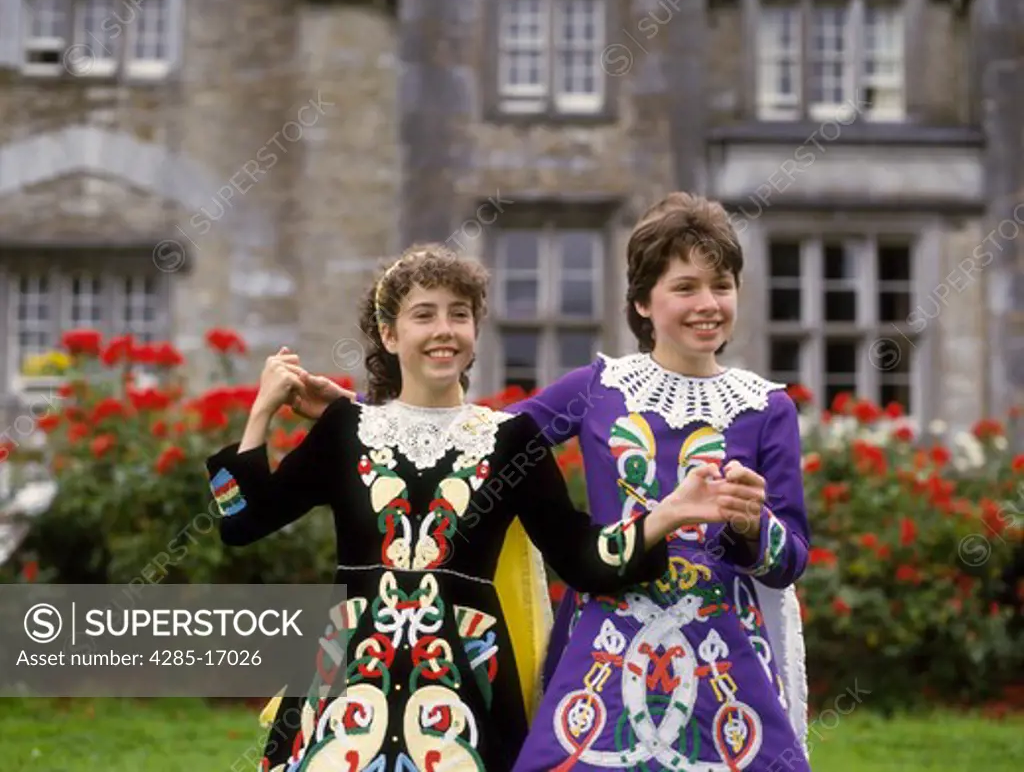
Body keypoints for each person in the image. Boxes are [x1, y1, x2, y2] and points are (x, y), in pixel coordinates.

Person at [299, 194, 811, 771]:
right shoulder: (599, 387)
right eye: (685, 287)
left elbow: (789, 559)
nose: (708, 304)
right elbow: (480, 443)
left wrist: (750, 523)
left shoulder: (767, 408)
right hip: (604, 655)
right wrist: (364, 413)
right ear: (642, 302)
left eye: (722, 285)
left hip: (726, 664)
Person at [204, 244, 745, 772]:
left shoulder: (513, 438)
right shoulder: (345, 430)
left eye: (459, 315)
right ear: (391, 336)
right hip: (344, 687)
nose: (444, 330)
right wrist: (261, 414)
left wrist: (668, 514)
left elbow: (580, 558)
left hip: (466, 692)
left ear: (475, 332)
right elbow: (242, 522)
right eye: (424, 315)